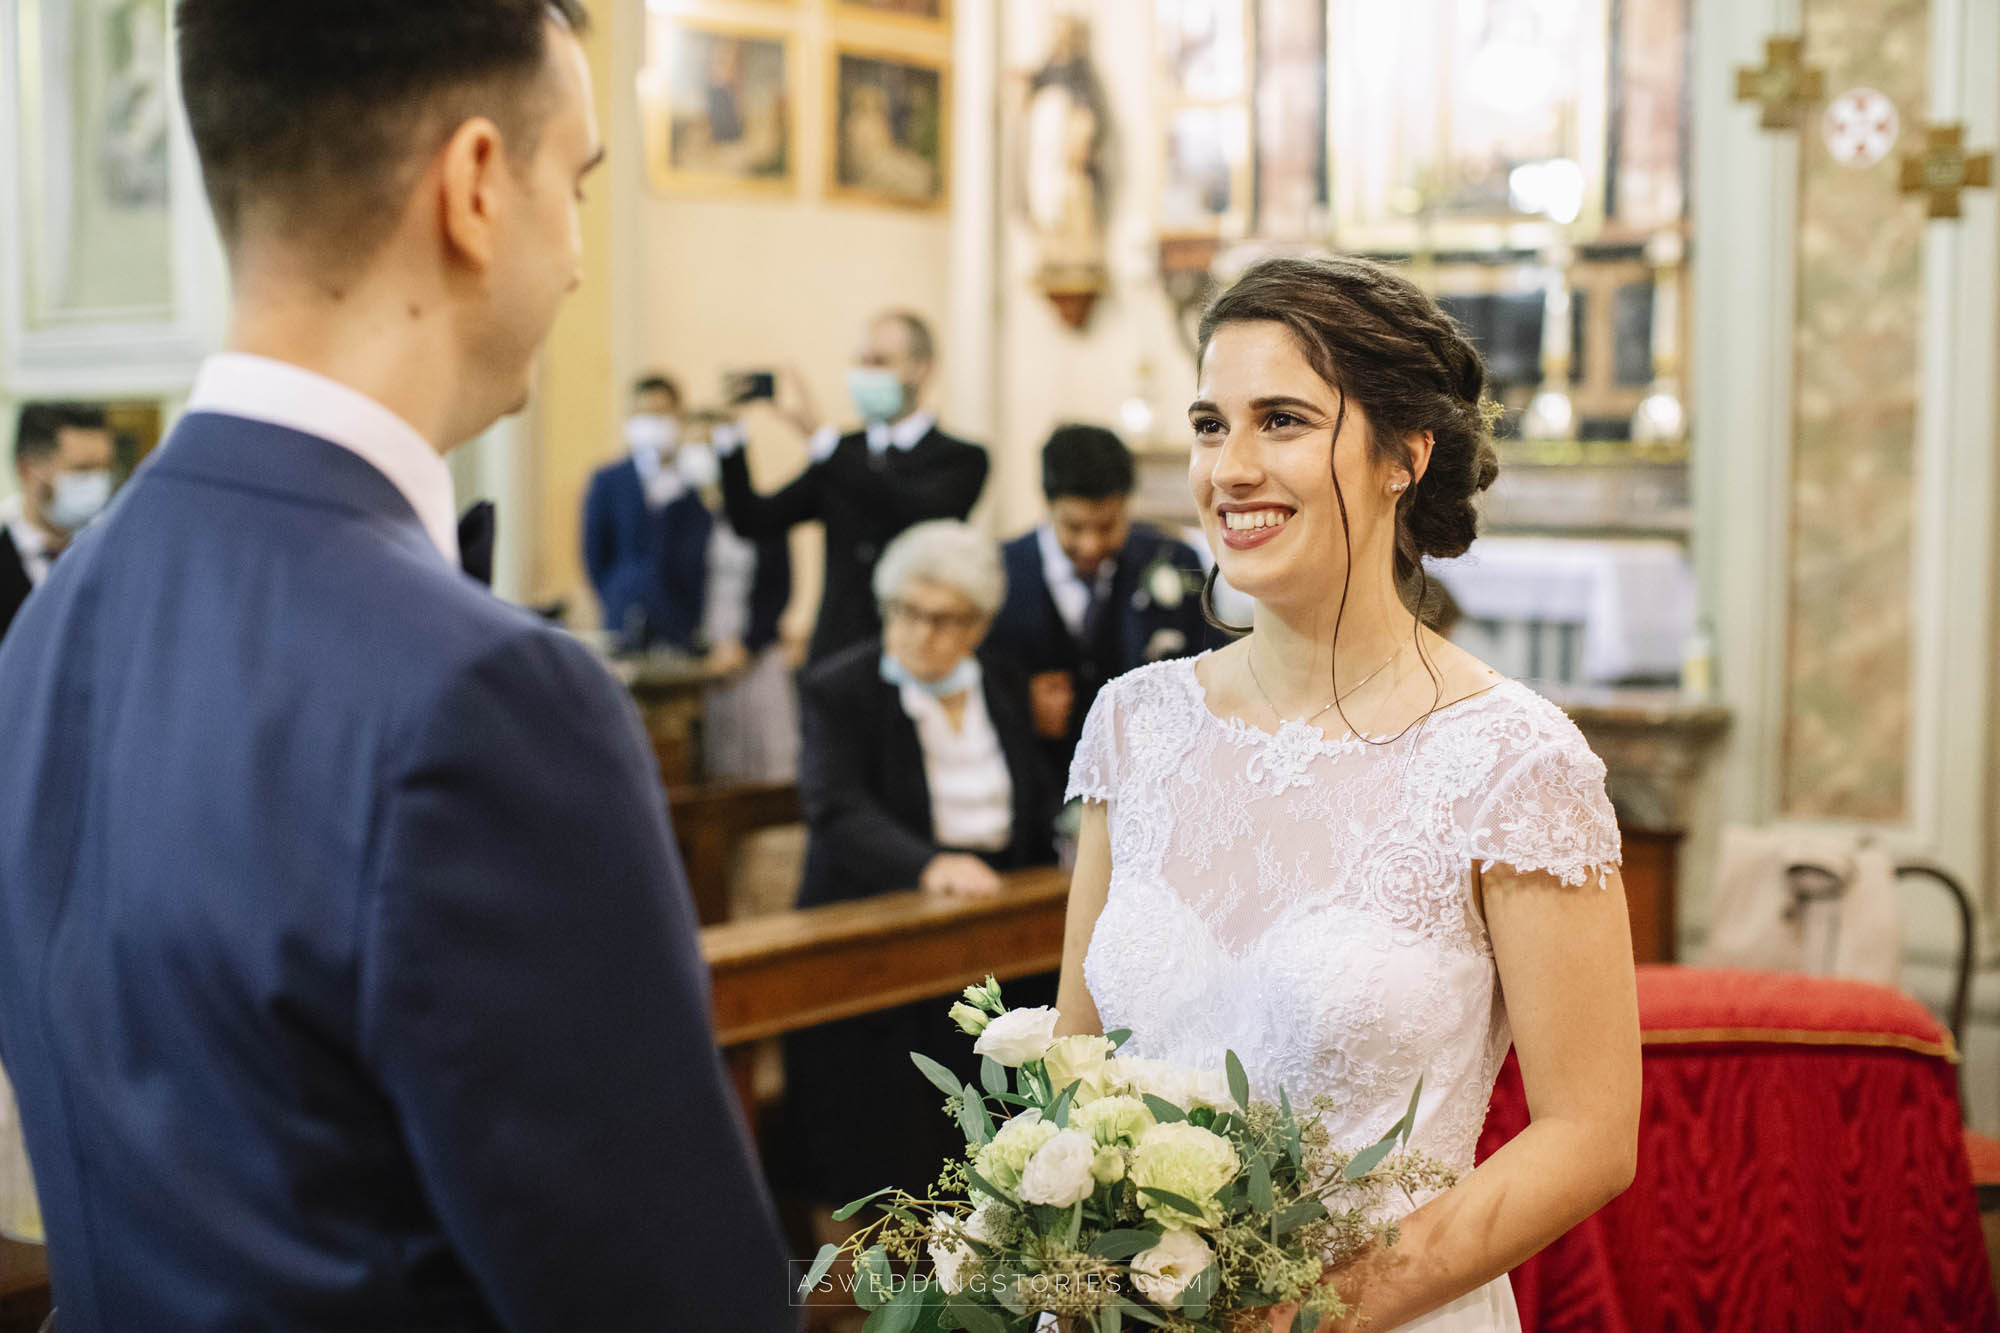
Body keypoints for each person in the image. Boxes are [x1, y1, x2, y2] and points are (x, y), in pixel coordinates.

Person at [0, 4, 792, 1331]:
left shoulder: (54, 620)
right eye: (576, 183)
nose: (578, 259)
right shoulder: (488, 698)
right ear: (476, 185)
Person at [1055, 256, 1640, 1333]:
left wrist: (1306, 1313)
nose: (1230, 468)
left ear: (1404, 456)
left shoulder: (1514, 761)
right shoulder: (1134, 726)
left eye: (1281, 420)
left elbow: (1588, 1134)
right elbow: (1076, 1062)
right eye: (1209, 425)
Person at [785, 520, 1057, 1327]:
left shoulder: (1000, 680)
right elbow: (834, 804)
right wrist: (927, 863)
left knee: (983, 1126)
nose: (919, 633)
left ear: (978, 623)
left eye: (943, 618)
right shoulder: (840, 687)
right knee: (871, 1133)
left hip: (994, 934)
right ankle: (864, 1302)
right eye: (904, 611)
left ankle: (976, 1292)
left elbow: (1029, 793)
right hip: (872, 940)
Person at [718, 310, 989, 663]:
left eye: (879, 362)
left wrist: (820, 438)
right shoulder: (842, 451)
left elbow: (909, 508)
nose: (865, 373)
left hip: (918, 654)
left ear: (920, 370)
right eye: (861, 361)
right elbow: (753, 521)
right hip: (837, 652)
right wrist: (730, 436)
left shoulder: (961, 458)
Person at [990, 423, 1218, 773]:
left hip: (1146, 771)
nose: (1090, 545)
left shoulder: (1173, 560)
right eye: (1074, 527)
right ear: (1047, 504)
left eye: (1107, 526)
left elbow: (1210, 662)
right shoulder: (1000, 571)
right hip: (1037, 776)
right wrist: (1019, 704)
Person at [1, 403, 118, 641]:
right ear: (27, 470)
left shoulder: (110, 558)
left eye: (104, 468)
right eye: (82, 469)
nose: (97, 482)